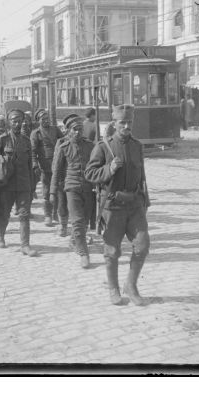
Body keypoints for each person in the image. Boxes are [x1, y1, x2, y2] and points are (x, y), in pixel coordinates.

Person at [85, 104, 150, 306]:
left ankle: (130, 285)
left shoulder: (137, 146)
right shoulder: (103, 147)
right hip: (113, 207)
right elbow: (89, 174)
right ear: (114, 123)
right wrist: (109, 169)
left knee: (142, 245)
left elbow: (142, 177)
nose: (126, 126)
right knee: (112, 251)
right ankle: (113, 288)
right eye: (122, 122)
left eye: (129, 122)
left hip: (135, 205)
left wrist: (145, 200)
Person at [0, 109, 38, 257]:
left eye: (20, 120)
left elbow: (30, 165)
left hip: (24, 184)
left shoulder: (27, 141)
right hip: (7, 184)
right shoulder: (2, 139)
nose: (17, 123)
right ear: (9, 122)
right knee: (4, 212)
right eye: (14, 120)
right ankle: (1, 235)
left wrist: (32, 187)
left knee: (24, 215)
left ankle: (25, 245)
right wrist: (2, 161)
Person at [51, 115, 96, 269]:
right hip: (71, 188)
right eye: (74, 130)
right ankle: (84, 253)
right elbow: (56, 172)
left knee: (84, 220)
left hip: (88, 187)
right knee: (76, 220)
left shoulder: (90, 146)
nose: (77, 132)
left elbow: (96, 166)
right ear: (68, 131)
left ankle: (74, 240)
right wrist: (52, 192)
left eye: (80, 130)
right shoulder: (64, 147)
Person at [30, 108, 64, 226]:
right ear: (38, 121)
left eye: (47, 118)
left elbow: (64, 141)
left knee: (59, 190)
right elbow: (33, 152)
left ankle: (55, 213)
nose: (46, 121)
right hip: (45, 167)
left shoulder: (55, 129)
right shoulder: (36, 133)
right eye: (43, 119)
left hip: (58, 165)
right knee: (46, 191)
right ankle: (48, 215)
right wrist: (35, 165)